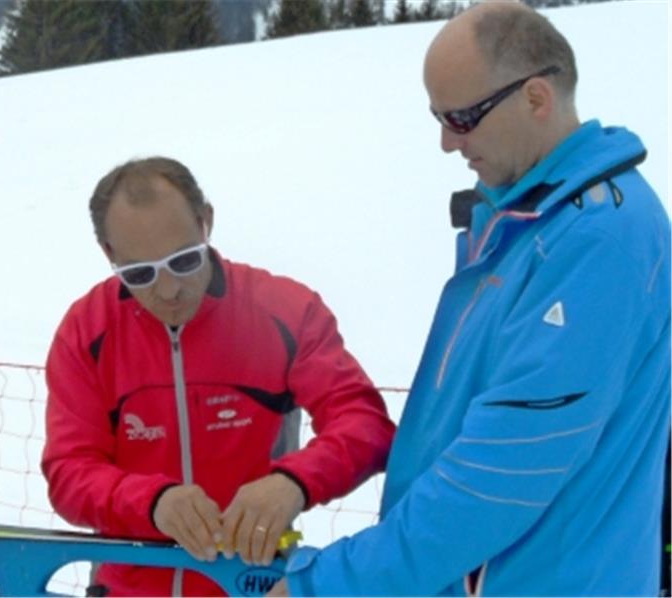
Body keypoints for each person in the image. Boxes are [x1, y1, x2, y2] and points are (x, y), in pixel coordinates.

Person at [274, 3, 670, 595]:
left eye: (462, 117)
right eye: (437, 116)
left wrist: (329, 585)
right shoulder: (522, 219)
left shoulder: (598, 240)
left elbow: (500, 474)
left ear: (536, 98)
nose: (444, 142)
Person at [41, 156, 397, 596]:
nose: (168, 290)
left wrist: (293, 482)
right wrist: (153, 503)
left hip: (250, 585)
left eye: (184, 261)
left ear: (205, 221)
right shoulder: (87, 331)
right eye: (140, 274)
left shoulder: (285, 310)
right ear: (109, 253)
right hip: (126, 586)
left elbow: (364, 424)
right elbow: (69, 472)